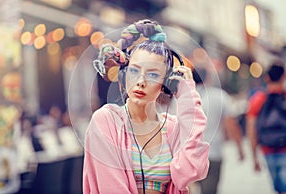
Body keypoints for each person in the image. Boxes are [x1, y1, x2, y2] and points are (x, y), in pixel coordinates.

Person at [83, 19, 210, 194]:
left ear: (166, 84)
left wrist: (188, 98)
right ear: (124, 75)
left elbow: (191, 172)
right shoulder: (105, 121)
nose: (141, 82)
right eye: (134, 71)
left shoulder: (172, 128)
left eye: (152, 74)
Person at [191, 68, 244, 194]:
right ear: (207, 78)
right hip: (212, 154)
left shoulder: (181, 97)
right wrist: (240, 149)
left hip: (186, 155)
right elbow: (231, 124)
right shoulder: (219, 96)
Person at [246, 62, 286, 194]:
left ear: (267, 77)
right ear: (284, 77)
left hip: (268, 151)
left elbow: (251, 130)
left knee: (278, 189)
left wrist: (254, 157)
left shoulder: (257, 99)